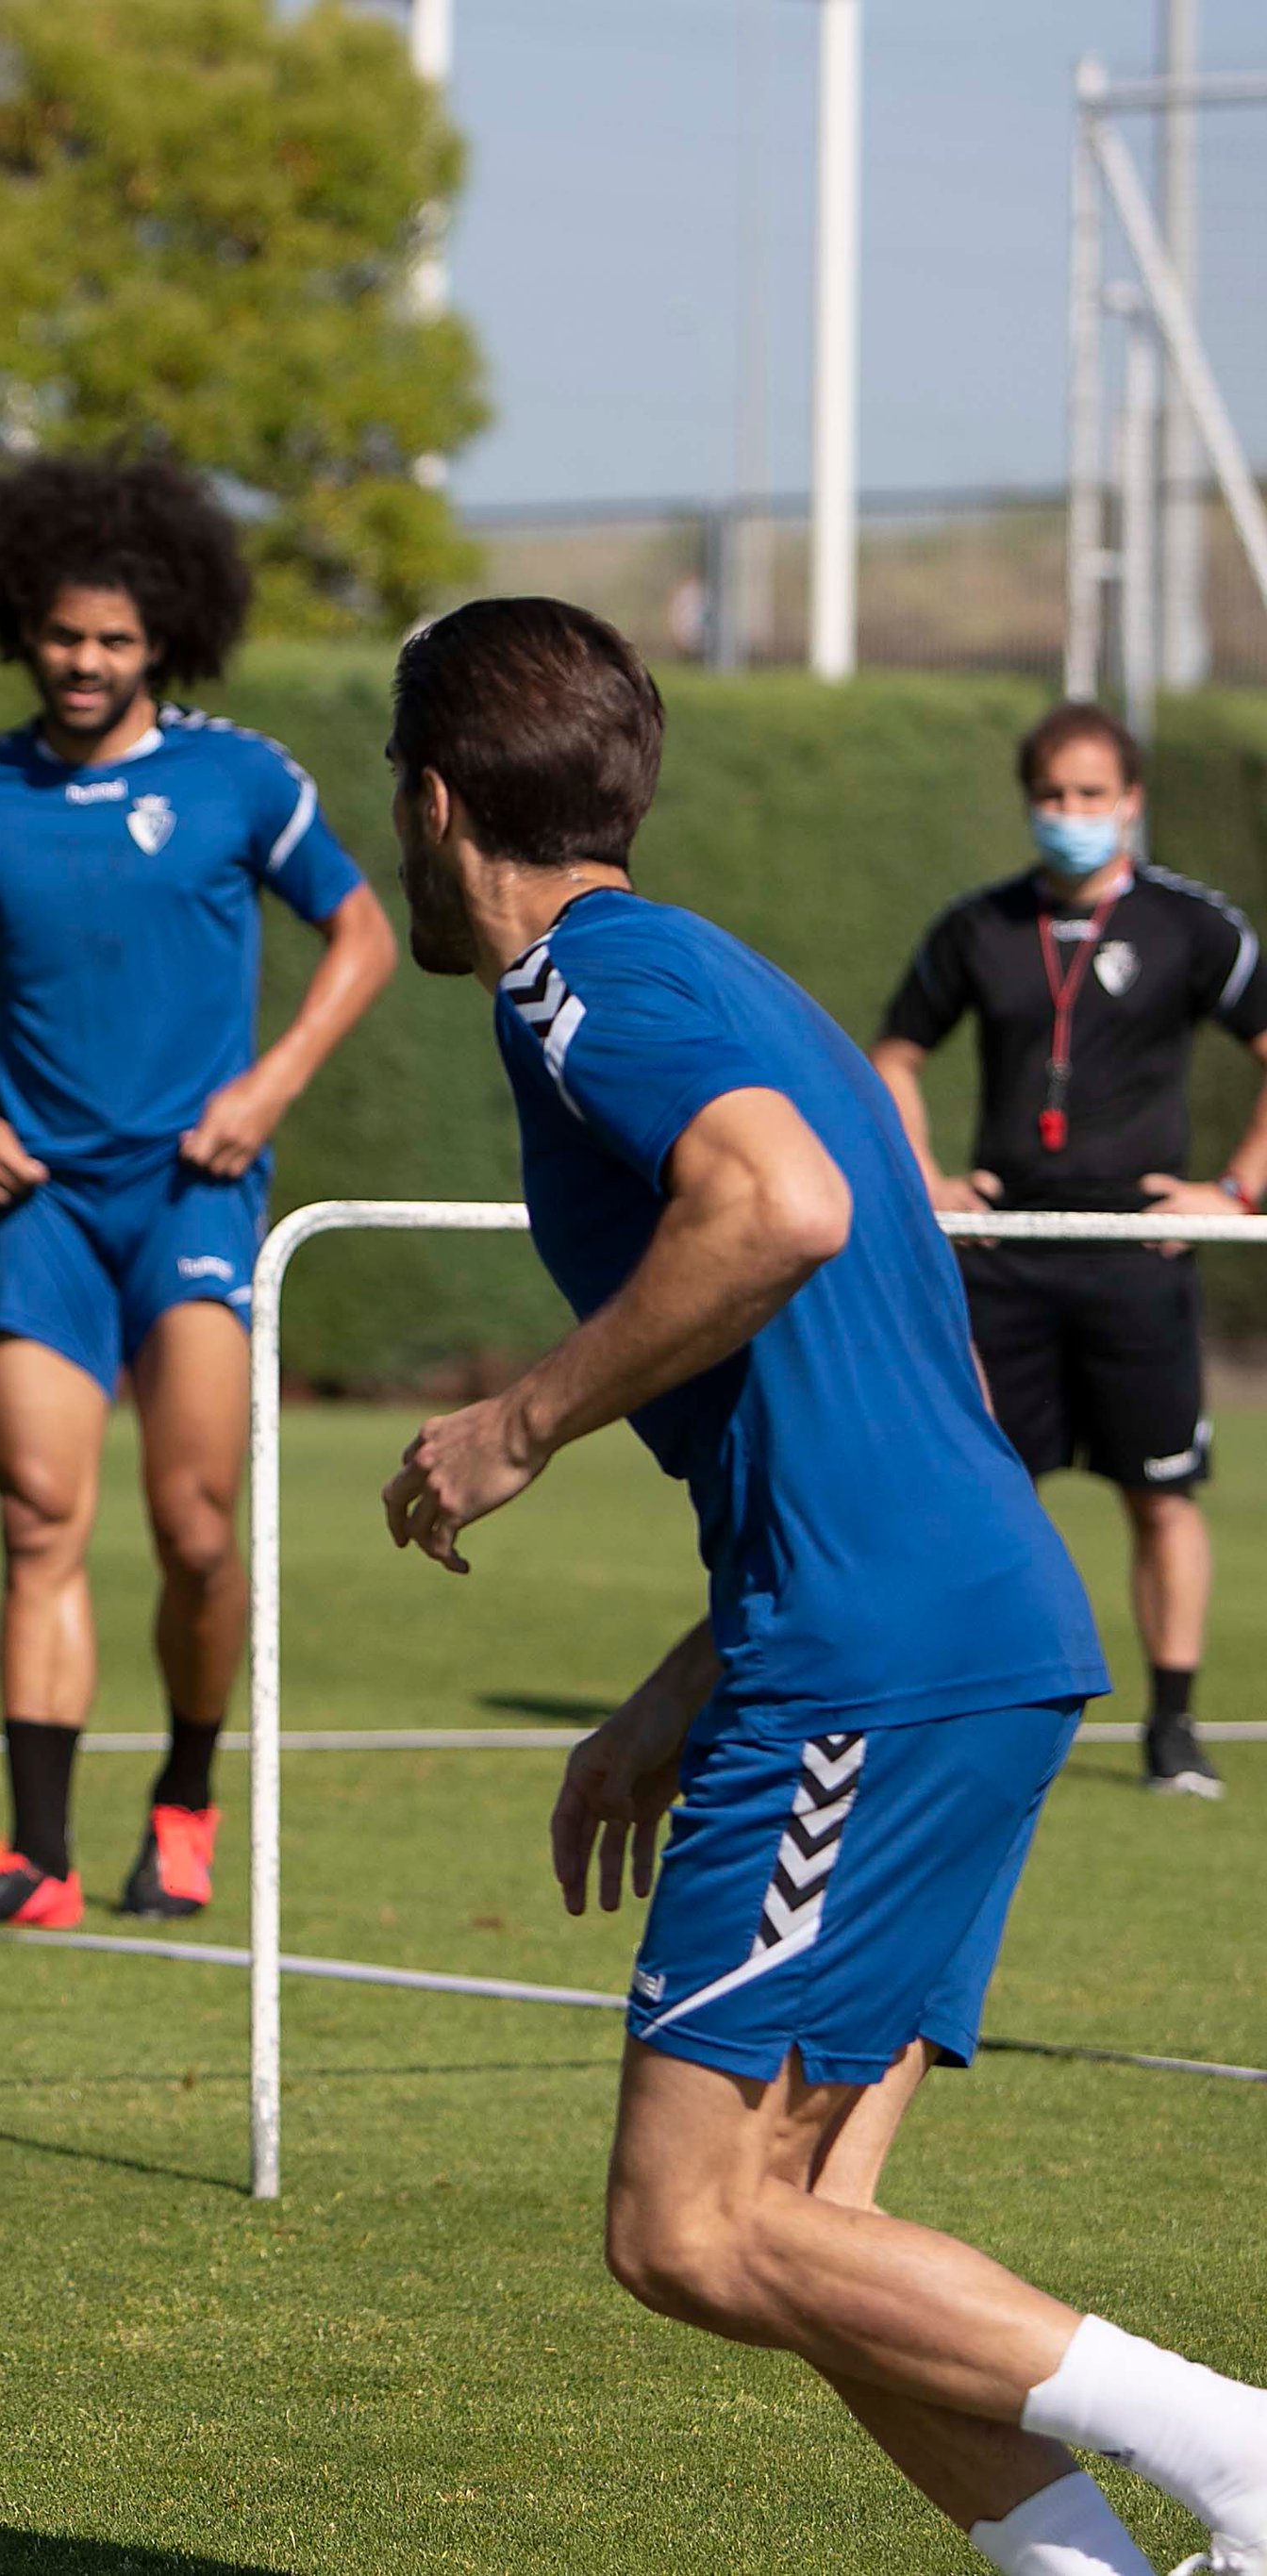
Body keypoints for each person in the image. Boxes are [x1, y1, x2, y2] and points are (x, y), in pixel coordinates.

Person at [380, 597, 1267, 2576]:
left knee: (684, 2224)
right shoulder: (727, 980)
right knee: (809, 2238)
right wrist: (678, 1686)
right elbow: (889, 1367)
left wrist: (513, 1427)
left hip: (874, 1653)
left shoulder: (580, 992)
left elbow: (779, 1211)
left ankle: (1242, 2455)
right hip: (951, 1624)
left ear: (433, 808)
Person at [0, 456, 395, 1931]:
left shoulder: (240, 778)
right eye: (61, 635)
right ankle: (37, 1859)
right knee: (39, 1515)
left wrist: (272, 1084)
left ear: (163, 633)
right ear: (18, 631)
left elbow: (359, 934)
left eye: (113, 637)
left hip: (194, 1201)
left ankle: (183, 1798)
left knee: (197, 1528)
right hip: (37, 1206)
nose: (86, 662)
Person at [871, 703, 1267, 1802]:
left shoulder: (1193, 927)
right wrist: (928, 1181)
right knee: (986, 1495)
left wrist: (1232, 1194)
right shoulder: (978, 927)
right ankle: (976, 1718)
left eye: (1093, 795)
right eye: (1052, 796)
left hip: (1137, 1253)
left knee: (1161, 1495)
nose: (1071, 815)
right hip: (1004, 1250)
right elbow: (893, 1056)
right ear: (1028, 802)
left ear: (1130, 802)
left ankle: (1174, 1731)